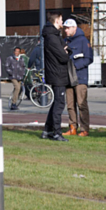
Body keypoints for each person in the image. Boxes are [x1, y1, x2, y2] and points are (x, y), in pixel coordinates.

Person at [41, 12, 72, 142]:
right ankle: (56, 133)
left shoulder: (54, 35)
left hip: (57, 73)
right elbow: (63, 56)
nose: (62, 22)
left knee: (56, 103)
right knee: (59, 104)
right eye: (61, 19)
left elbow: (67, 50)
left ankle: (47, 130)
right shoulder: (52, 38)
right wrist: (65, 51)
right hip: (57, 74)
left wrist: (66, 50)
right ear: (56, 21)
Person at [62, 19, 92, 136]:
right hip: (68, 77)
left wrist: (74, 66)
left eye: (68, 28)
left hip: (80, 77)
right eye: (65, 28)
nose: (66, 30)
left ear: (75, 28)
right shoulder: (64, 41)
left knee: (81, 104)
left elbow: (89, 58)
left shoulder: (83, 41)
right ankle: (72, 127)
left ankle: (84, 129)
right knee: (70, 104)